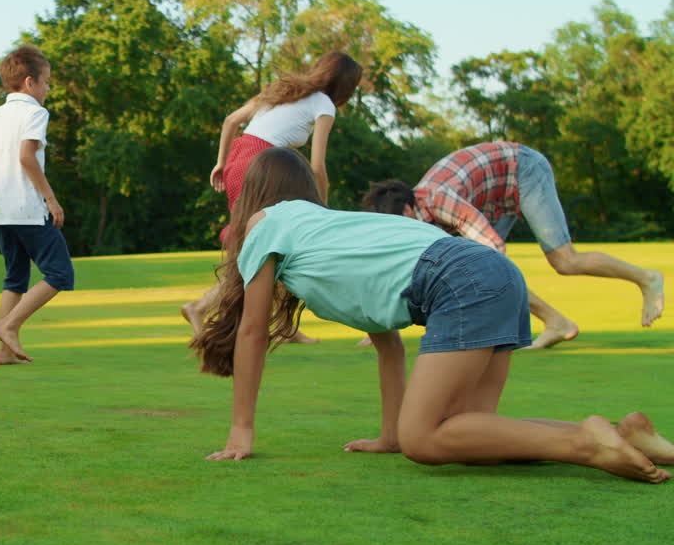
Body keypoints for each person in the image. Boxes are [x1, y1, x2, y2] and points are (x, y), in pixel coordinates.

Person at [190, 146, 673, 483]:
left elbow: (252, 331)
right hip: (495, 274)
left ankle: (588, 445)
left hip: (457, 278)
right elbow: (387, 342)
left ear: (253, 195)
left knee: (424, 441)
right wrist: (387, 435)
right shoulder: (329, 230)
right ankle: (624, 435)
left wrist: (241, 430)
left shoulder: (263, 224)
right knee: (472, 437)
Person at [362, 141, 664, 349]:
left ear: (408, 209)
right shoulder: (414, 212)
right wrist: (380, 327)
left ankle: (647, 278)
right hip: (495, 196)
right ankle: (557, 322)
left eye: (402, 223)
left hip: (522, 170)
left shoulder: (440, 202)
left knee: (562, 261)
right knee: (470, 267)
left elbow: (493, 251)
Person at [181, 52, 363, 342]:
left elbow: (230, 122)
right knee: (269, 244)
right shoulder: (324, 104)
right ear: (345, 86)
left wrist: (221, 162)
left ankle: (283, 327)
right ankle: (202, 307)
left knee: (267, 244)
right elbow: (317, 166)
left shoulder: (280, 91)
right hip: (262, 165)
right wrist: (323, 208)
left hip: (239, 159)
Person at [0, 45, 73, 365]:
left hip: (0, 212)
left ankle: (3, 352)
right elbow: (27, 157)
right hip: (28, 208)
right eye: (47, 82)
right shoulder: (35, 112)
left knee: (15, 279)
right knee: (60, 273)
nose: (48, 89)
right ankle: (9, 326)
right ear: (29, 82)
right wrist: (51, 199)